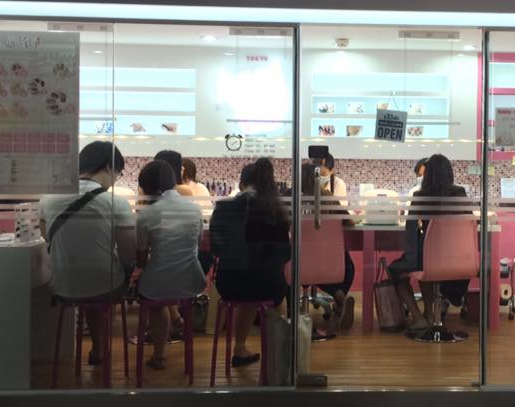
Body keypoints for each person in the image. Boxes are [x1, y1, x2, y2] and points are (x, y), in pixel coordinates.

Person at [39, 141, 136, 366]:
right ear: (108, 167)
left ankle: (96, 349)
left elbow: (46, 237)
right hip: (104, 286)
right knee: (104, 280)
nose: (116, 180)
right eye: (118, 173)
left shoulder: (48, 198)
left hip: (62, 285)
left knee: (92, 281)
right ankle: (100, 349)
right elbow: (128, 254)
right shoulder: (116, 203)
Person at [210, 157, 290, 367]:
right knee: (278, 291)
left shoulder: (223, 207)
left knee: (250, 282)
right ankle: (281, 353)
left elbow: (216, 248)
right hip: (265, 284)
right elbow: (284, 255)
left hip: (228, 284)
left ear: (241, 184)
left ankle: (239, 348)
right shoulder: (274, 210)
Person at [135, 160, 206, 369]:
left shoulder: (146, 215)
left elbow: (141, 259)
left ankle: (159, 355)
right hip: (191, 281)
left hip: (157, 283)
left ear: (147, 187)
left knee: (155, 298)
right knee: (164, 282)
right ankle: (177, 322)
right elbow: (197, 244)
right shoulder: (195, 210)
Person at [388, 153, 470, 331]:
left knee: (397, 269)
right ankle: (429, 314)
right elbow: (469, 221)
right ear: (449, 173)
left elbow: (410, 227)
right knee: (424, 263)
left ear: (427, 173)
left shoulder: (420, 195)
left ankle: (419, 317)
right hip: (454, 258)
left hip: (428, 257)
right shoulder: (459, 193)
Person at [301, 161, 355, 332]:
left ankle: (340, 303)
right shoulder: (329, 199)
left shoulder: (294, 199)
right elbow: (349, 222)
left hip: (305, 258)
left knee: (313, 271)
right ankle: (341, 302)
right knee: (348, 267)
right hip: (332, 257)